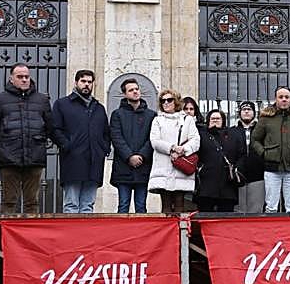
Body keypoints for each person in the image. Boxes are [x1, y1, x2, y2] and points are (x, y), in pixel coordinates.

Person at [0, 63, 54, 214]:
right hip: (9, 157)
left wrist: (40, 140)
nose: (24, 80)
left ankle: (30, 235)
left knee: (32, 202)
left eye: (26, 76)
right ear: (11, 79)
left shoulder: (42, 100)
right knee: (9, 201)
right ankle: (7, 235)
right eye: (20, 77)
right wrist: (7, 142)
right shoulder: (0, 100)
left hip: (35, 156)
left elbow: (50, 126)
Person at [52, 69, 110, 214]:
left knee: (88, 205)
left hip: (94, 161)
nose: (86, 85)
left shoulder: (99, 108)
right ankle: (70, 236)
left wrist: (103, 148)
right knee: (71, 204)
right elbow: (54, 129)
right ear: (76, 82)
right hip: (73, 160)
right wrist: (67, 145)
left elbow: (106, 132)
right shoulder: (62, 104)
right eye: (83, 81)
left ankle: (85, 236)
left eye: (90, 82)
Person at [251, 86, 290, 214]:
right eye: (281, 97)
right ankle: (270, 233)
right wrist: (264, 153)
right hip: (272, 169)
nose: (284, 99)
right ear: (276, 99)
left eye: (286, 97)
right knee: (271, 207)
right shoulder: (266, 118)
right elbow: (255, 139)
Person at [148, 88, 200, 212]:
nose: (166, 103)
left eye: (169, 100)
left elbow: (195, 140)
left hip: (180, 166)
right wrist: (171, 148)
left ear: (175, 102)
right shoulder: (157, 120)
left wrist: (183, 149)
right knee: (165, 206)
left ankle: (179, 231)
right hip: (163, 166)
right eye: (163, 100)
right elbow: (154, 141)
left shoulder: (187, 120)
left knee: (180, 205)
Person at [109, 78, 155, 213]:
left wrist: (141, 155)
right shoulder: (117, 114)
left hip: (143, 166)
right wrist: (129, 156)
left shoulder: (151, 115)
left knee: (141, 206)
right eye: (131, 90)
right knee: (123, 205)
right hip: (123, 167)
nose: (135, 92)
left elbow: (152, 139)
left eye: (136, 89)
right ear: (125, 94)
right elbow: (116, 138)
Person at [195, 109, 246, 212]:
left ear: (223, 120)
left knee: (225, 218)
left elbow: (241, 155)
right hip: (206, 185)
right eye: (212, 118)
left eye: (218, 118)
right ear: (208, 120)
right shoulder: (200, 135)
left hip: (227, 185)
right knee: (205, 218)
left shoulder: (233, 135)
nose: (215, 120)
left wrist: (236, 169)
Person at [232, 101, 266, 214]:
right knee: (239, 211)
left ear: (254, 113)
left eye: (249, 109)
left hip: (258, 174)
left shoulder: (262, 130)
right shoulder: (232, 131)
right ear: (239, 113)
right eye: (244, 109)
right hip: (238, 176)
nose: (246, 111)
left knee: (256, 210)